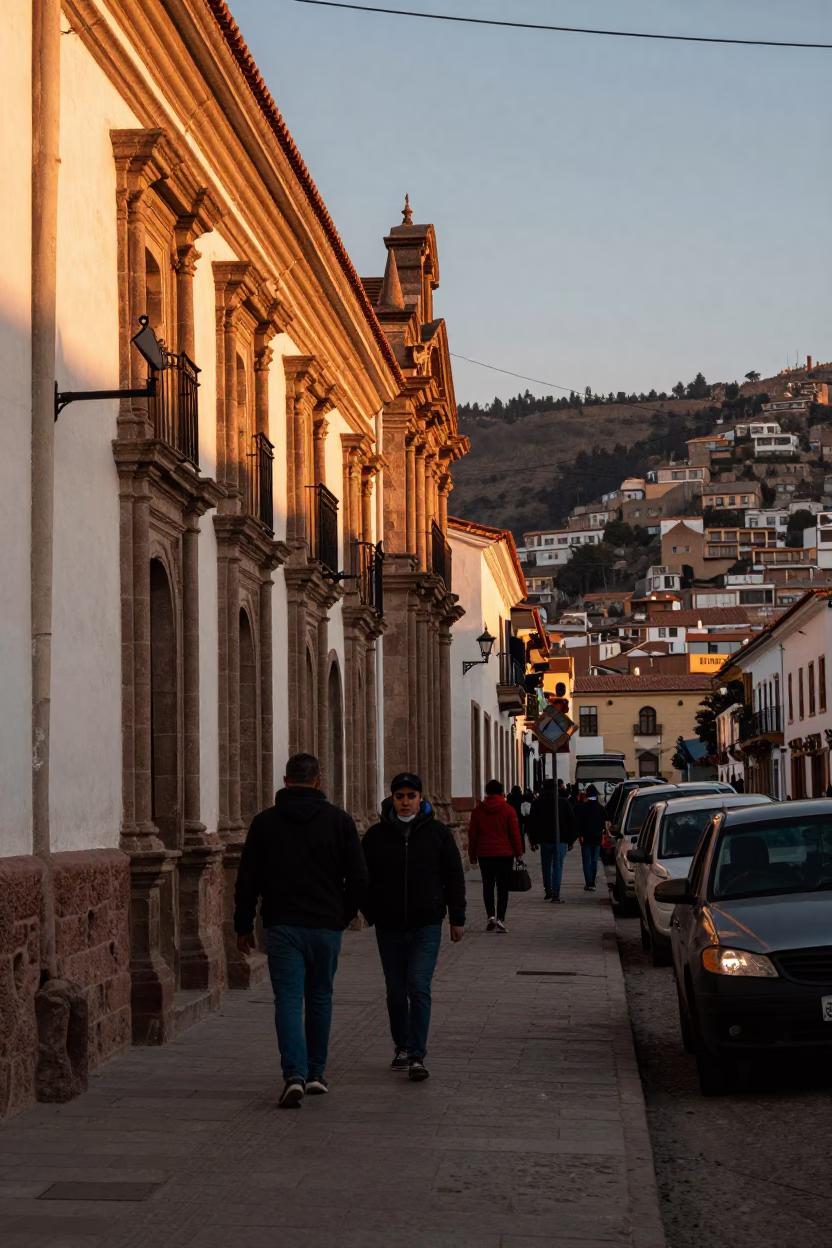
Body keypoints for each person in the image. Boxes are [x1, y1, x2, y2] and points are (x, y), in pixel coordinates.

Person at [234, 752, 368, 1109]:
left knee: (289, 1001)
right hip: (325, 925)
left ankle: (293, 1074)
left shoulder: (264, 823)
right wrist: (345, 915)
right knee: (321, 997)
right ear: (319, 781)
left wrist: (243, 925)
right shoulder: (340, 822)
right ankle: (315, 1074)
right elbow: (357, 877)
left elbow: (247, 879)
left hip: (282, 925)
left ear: (286, 781)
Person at [362, 773, 466, 1082]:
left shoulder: (438, 834)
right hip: (390, 926)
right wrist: (372, 912)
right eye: (399, 796)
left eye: (411, 796)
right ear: (391, 799)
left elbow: (454, 876)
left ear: (421, 799)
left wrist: (457, 918)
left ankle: (418, 1053)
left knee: (418, 986)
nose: (405, 801)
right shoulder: (376, 836)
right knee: (395, 991)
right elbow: (361, 877)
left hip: (427, 924)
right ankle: (402, 1047)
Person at [468, 779, 524, 932]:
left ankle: (490, 915)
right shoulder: (508, 810)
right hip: (505, 854)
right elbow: (515, 833)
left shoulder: (477, 811)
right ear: (501, 792)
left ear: (486, 792)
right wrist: (519, 852)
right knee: (503, 887)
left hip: (485, 854)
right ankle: (501, 918)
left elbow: (473, 835)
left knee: (488, 885)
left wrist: (472, 854)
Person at [526, 777, 576, 903]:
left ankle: (548, 890)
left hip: (545, 840)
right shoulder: (563, 803)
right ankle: (556, 893)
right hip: (561, 840)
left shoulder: (537, 803)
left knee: (546, 866)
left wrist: (533, 840)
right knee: (558, 866)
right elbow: (572, 823)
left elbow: (532, 822)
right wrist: (570, 841)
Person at [575, 783, 605, 891]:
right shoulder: (600, 808)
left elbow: (579, 822)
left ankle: (589, 883)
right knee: (594, 861)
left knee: (586, 861)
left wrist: (580, 834)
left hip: (586, 837)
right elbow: (603, 823)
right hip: (597, 837)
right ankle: (592, 881)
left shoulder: (582, 807)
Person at [507, 784, 527, 849]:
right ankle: (521, 847)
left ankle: (512, 846)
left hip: (511, 817)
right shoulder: (522, 797)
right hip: (520, 817)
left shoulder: (510, 798)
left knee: (511, 832)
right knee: (521, 833)